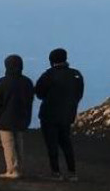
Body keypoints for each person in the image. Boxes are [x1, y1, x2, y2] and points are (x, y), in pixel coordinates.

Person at [35, 48, 84, 181]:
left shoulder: (49, 75)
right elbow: (79, 94)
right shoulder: (76, 75)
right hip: (67, 115)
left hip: (49, 115)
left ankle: (56, 172)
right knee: (66, 143)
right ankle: (72, 172)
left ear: (51, 60)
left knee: (52, 144)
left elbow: (39, 92)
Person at [0, 55, 35, 179]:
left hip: (4, 119)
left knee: (8, 144)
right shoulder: (27, 82)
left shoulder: (1, 83)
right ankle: (19, 168)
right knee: (19, 143)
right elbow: (30, 100)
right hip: (22, 118)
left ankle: (12, 170)